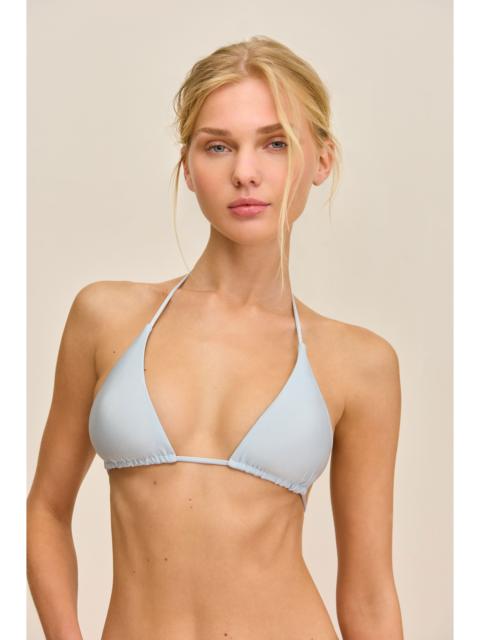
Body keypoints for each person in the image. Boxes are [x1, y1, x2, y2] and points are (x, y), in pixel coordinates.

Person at [27, 35, 404, 640]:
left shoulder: (359, 363)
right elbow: (45, 511)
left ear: (322, 160)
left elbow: (369, 593)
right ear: (188, 166)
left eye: (276, 143)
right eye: (218, 146)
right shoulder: (105, 317)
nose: (245, 172)